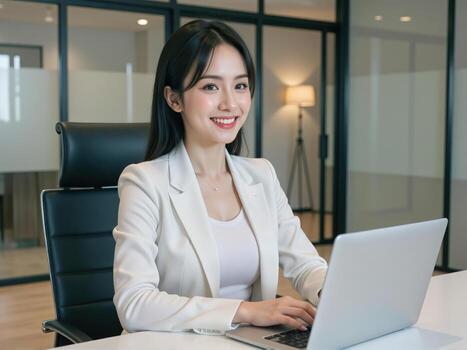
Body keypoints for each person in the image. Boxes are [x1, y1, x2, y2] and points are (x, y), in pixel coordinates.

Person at [113, 19, 327, 336]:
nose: (230, 103)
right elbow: (135, 303)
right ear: (174, 99)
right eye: (211, 86)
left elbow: (306, 263)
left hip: (254, 341)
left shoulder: (261, 175)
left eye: (240, 85)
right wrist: (247, 312)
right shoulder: (144, 182)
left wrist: (334, 293)